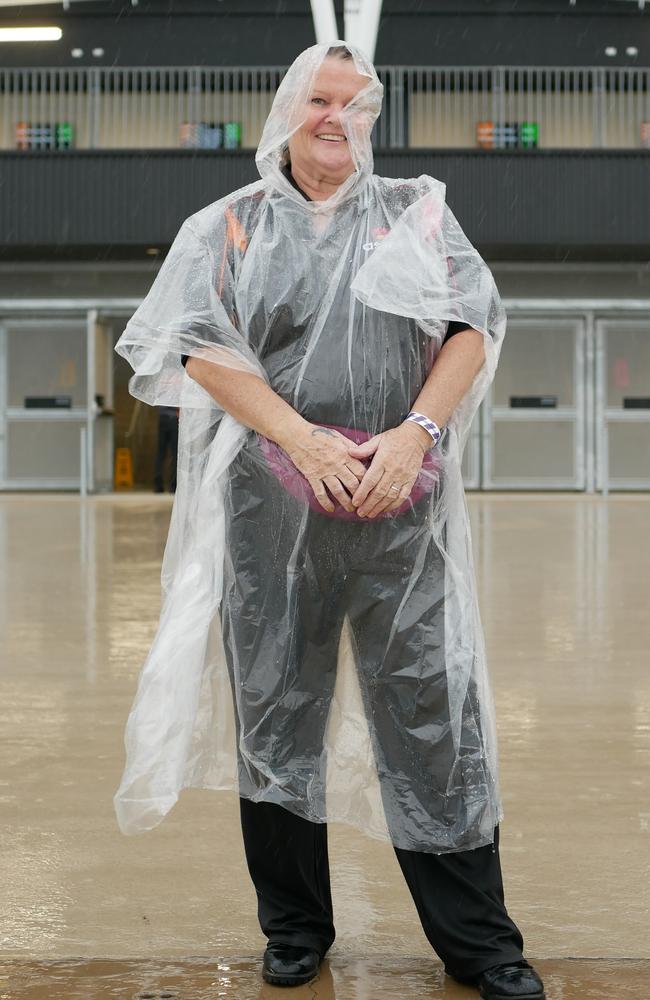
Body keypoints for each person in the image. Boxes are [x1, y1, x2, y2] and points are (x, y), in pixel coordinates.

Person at [113, 42, 545, 1000]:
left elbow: (473, 325)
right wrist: (302, 440)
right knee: (279, 711)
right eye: (320, 99)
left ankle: (480, 943)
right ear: (285, 111)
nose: (337, 118)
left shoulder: (415, 215)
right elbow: (194, 343)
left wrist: (414, 434)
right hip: (271, 513)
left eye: (357, 104)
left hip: (402, 507)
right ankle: (296, 929)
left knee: (434, 712)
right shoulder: (227, 226)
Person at [153, 404, 179, 493]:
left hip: (162, 418)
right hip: (174, 419)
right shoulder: (177, 389)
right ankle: (173, 485)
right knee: (175, 453)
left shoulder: (162, 389)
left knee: (161, 453)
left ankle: (158, 485)